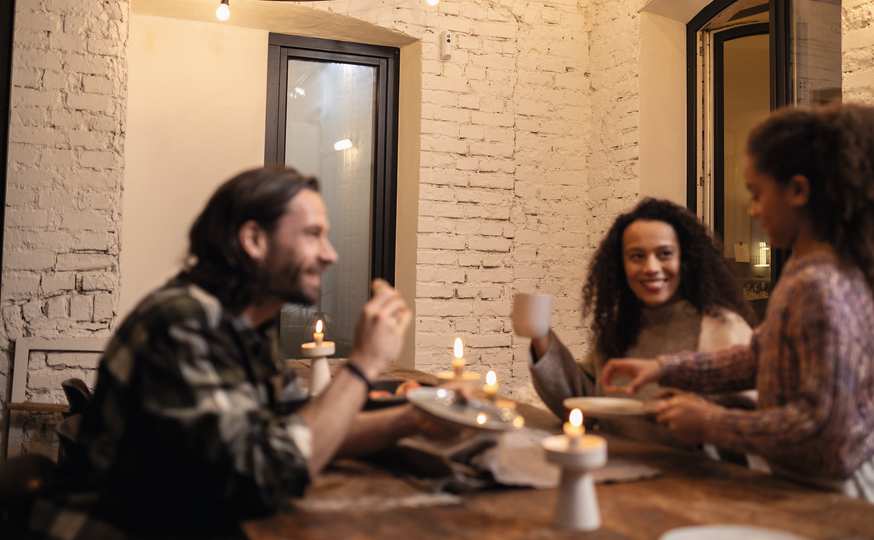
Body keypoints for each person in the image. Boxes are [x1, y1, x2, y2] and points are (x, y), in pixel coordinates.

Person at [27, 166, 437, 539]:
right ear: (255, 240)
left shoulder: (249, 330)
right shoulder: (181, 323)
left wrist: (413, 418)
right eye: (312, 235)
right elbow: (264, 476)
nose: (330, 255)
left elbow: (303, 434)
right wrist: (364, 363)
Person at [602, 104, 874, 511]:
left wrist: (708, 423)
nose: (751, 209)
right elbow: (758, 356)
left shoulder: (819, 287)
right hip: (817, 481)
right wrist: (663, 368)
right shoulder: (810, 272)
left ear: (798, 192)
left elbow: (821, 427)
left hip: (851, 489)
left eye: (756, 194)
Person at [529, 198, 754, 443]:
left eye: (665, 254)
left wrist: (699, 415)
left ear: (686, 259)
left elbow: (751, 424)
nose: (651, 267)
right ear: (621, 265)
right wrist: (541, 336)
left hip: (690, 477)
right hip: (618, 469)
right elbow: (582, 402)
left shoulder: (722, 326)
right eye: (637, 256)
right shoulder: (621, 325)